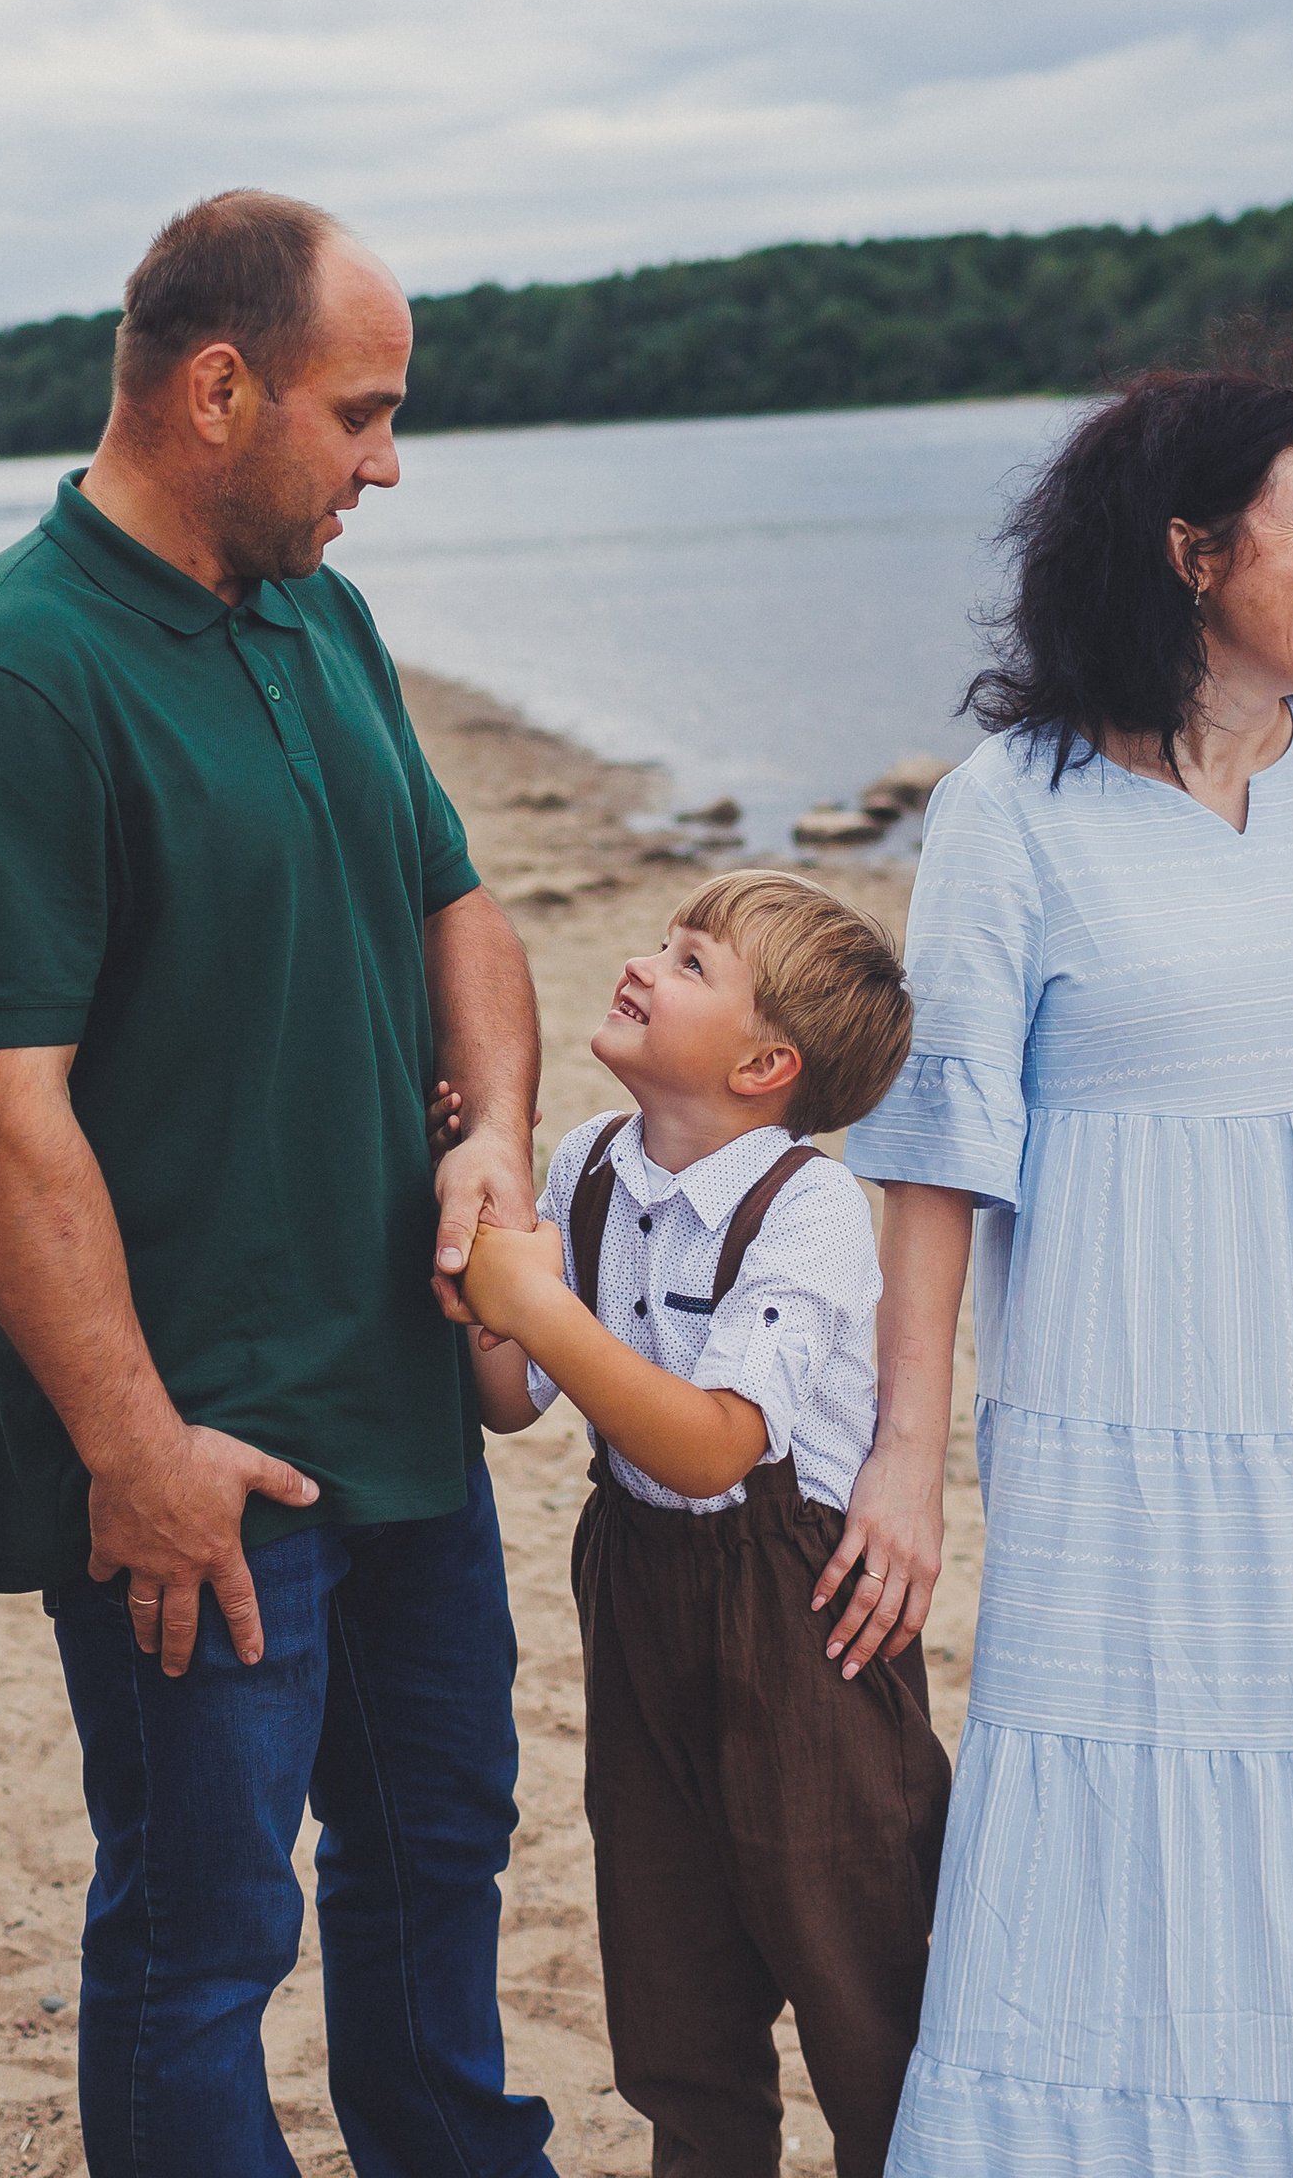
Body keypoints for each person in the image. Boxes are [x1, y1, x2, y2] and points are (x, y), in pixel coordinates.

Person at [839, 345, 1293, 2177]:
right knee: (1141, 1810)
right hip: (1134, 1422)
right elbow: (943, 1151)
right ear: (1191, 553)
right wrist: (909, 1453)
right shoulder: (1011, 810)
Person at [0, 191, 554, 2176]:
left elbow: (460, 906)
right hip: (197, 1455)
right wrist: (132, 1440)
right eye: (359, 412)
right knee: (202, 1937)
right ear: (216, 387)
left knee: (437, 1848)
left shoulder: (316, 614)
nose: (385, 461)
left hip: (404, 1400)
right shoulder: (11, 673)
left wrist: (497, 1131)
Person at [458, 869, 948, 2178]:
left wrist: (539, 1305)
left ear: (764, 1064)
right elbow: (514, 1400)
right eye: (663, 943)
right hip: (639, 1587)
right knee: (671, 1970)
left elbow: (718, 1437)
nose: (643, 964)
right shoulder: (588, 1169)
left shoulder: (808, 1209)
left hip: (801, 1618)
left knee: (857, 1976)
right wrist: (480, 1272)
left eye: (689, 965)